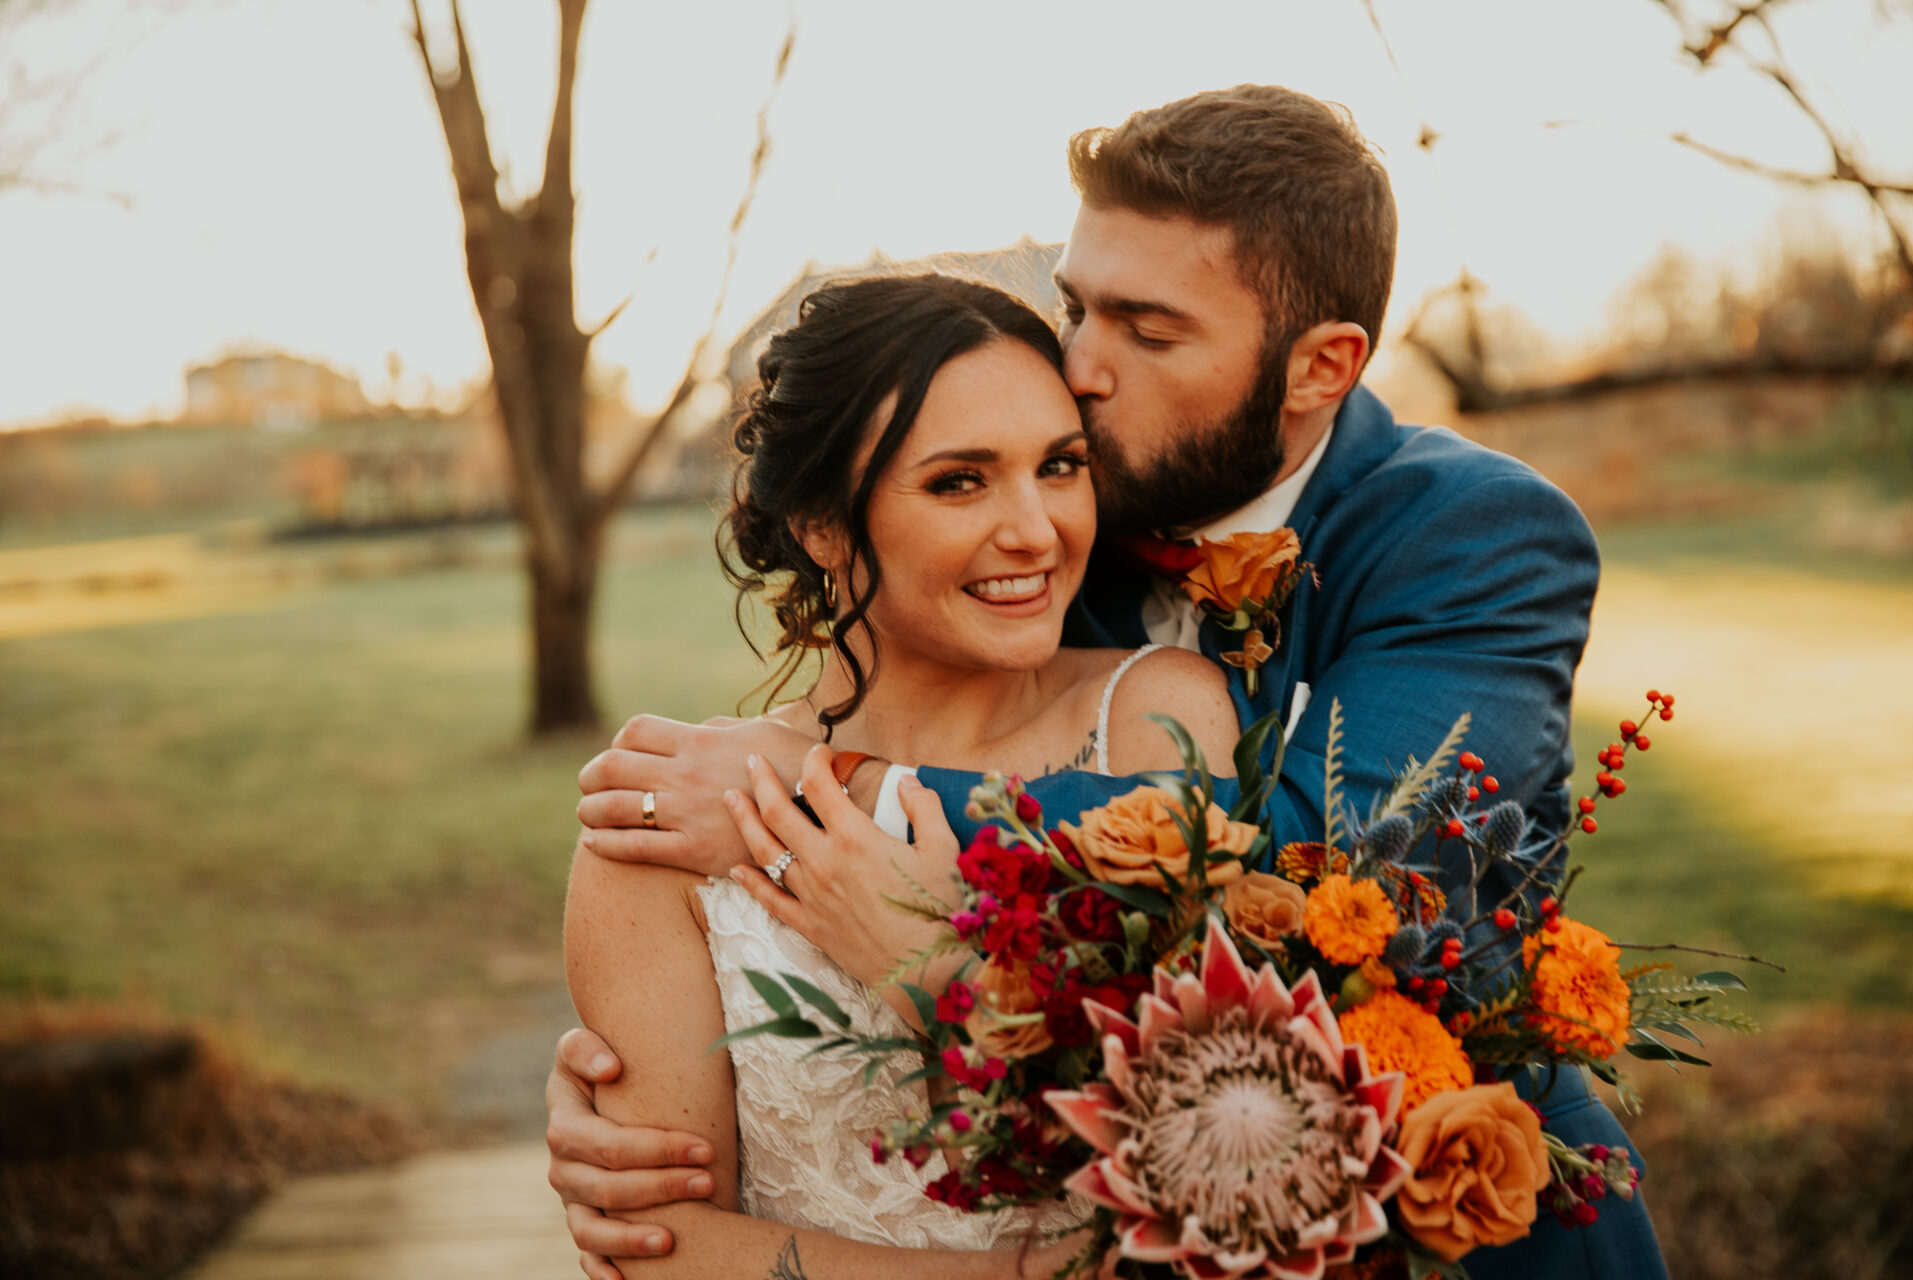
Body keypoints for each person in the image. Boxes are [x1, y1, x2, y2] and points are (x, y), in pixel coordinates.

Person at [552, 86, 1671, 1280]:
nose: (1078, 367)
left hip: (1454, 1224)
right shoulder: (1070, 536)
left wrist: (830, 792)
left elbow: (1323, 871)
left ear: (1320, 365)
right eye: (1078, 304)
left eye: (1146, 328)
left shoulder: (1474, 533)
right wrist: (625, 1095)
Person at [564, 271, 1242, 1279]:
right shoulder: (672, 816)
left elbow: (1226, 1135)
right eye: (959, 480)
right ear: (823, 524)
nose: (1036, 529)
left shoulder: (1156, 719)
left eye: (1060, 465)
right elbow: (656, 1249)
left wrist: (936, 966)